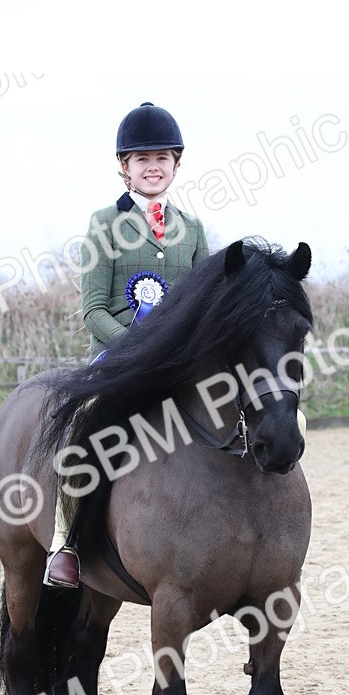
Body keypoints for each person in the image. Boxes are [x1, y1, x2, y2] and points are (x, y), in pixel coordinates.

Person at [44, 102, 210, 588]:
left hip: (180, 361)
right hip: (118, 357)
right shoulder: (104, 224)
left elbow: (204, 303)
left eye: (162, 157)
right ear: (125, 169)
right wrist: (139, 350)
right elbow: (93, 309)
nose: (153, 166)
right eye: (142, 159)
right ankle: (66, 543)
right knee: (81, 422)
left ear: (176, 164)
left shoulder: (193, 229)